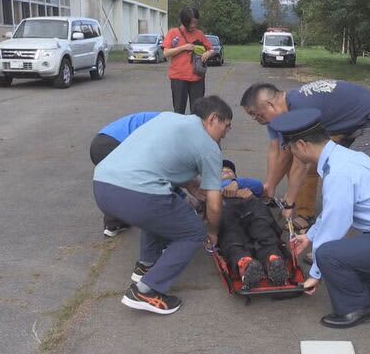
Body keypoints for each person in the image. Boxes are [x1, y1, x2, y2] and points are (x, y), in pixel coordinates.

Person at [269, 108, 370, 329]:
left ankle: (355, 308)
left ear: (302, 145)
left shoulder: (339, 172)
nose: (293, 154)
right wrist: (310, 236)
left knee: (328, 255)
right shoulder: (345, 157)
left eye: (290, 147)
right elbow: (334, 210)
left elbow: (335, 227)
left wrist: (316, 272)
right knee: (345, 265)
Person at [93, 95, 232, 315]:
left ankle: (147, 265)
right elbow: (214, 206)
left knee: (162, 213)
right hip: (137, 195)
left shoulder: (166, 119)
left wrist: (191, 185)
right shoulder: (209, 147)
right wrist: (212, 232)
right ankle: (146, 291)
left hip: (102, 186)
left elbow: (157, 160)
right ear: (213, 118)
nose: (226, 133)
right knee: (193, 232)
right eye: (226, 126)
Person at [240, 80, 370, 231]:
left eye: (257, 114)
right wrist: (270, 185)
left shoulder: (300, 109)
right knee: (326, 167)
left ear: (270, 105)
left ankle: (332, 238)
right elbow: (279, 151)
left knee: (346, 178)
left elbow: (299, 162)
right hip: (351, 123)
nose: (256, 119)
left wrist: (289, 203)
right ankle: (319, 219)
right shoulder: (284, 109)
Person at [218, 159, 288, 288]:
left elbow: (258, 186)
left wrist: (235, 183)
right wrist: (226, 190)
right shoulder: (211, 187)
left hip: (251, 209)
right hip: (228, 213)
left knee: (264, 229)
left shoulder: (243, 183)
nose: (226, 172)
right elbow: (206, 193)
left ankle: (272, 260)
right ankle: (245, 264)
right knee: (232, 236)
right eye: (221, 172)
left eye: (230, 171)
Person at [90, 111, 160, 237]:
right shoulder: (174, 128)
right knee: (142, 184)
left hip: (100, 142)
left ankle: (113, 224)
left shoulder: (165, 119)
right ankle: (160, 231)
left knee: (115, 184)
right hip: (114, 143)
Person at [162, 7, 214, 114]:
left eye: (195, 23)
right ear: (183, 21)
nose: (193, 26)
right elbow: (166, 53)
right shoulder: (173, 32)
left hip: (197, 78)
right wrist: (183, 47)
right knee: (179, 110)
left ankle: (194, 130)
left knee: (197, 111)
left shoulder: (199, 33)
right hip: (178, 78)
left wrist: (208, 53)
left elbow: (211, 49)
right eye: (190, 23)